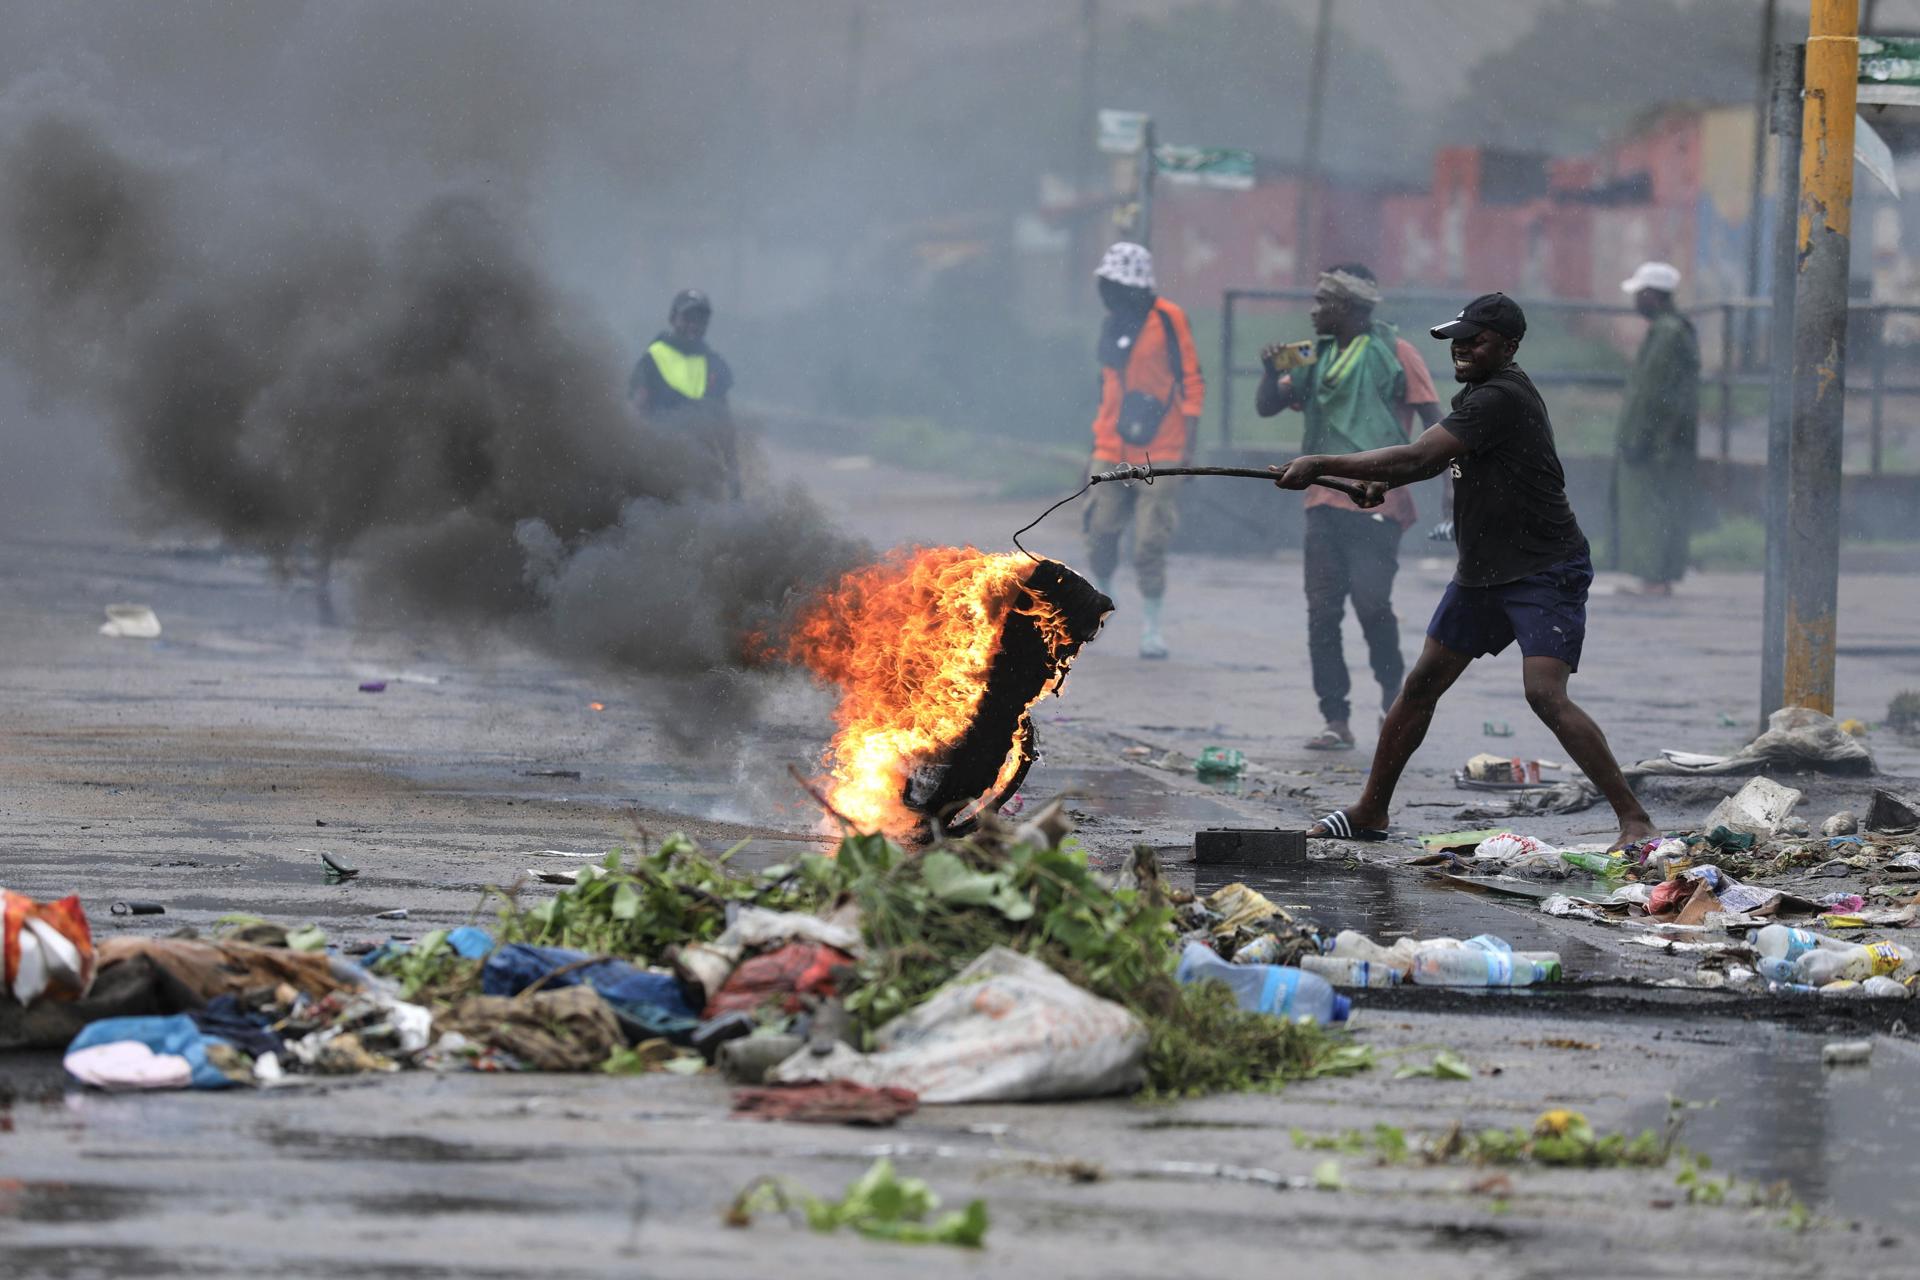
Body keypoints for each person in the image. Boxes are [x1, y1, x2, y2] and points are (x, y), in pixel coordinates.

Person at [1270, 292, 1657, 852]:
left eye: (1476, 340)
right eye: (1458, 338)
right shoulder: (1477, 395)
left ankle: (1635, 819)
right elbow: (1442, 464)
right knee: (1422, 684)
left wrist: (1321, 464)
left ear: (1510, 346)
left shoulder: (1502, 396)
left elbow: (1419, 457)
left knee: (1545, 694)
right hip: (1484, 570)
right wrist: (1385, 481)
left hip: (1544, 567)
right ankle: (1371, 810)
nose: (1462, 348)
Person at [1255, 264, 1441, 750]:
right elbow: (1267, 406)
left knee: (1372, 604)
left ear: (1351, 308)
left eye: (1323, 302)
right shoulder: (1313, 358)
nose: (1314, 310)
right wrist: (1269, 371)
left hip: (1379, 501)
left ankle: (1390, 698)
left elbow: (1434, 421)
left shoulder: (1397, 354)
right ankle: (1335, 719)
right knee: (1322, 613)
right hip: (1321, 500)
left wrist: (1437, 482)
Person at [1084, 242, 1205, 659]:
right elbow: (1106, 389)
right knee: (1100, 531)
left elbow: (1191, 379)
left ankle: (1152, 628)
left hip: (1162, 447)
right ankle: (1106, 598)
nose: (1110, 290)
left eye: (1117, 283)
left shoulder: (1169, 319)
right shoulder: (1111, 323)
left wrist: (1188, 447)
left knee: (1149, 543)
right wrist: (1094, 446)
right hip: (1110, 444)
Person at [1612, 261, 1700, 597]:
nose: (1636, 301)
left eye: (1640, 294)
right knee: (1661, 504)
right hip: (1667, 439)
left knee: (1651, 506)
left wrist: (1640, 437)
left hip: (1657, 442)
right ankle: (1657, 577)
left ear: (1654, 295)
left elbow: (1652, 392)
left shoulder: (1667, 333)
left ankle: (1654, 578)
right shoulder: (1674, 329)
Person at [630, 288, 740, 498]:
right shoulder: (652, 358)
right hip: (658, 462)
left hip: (701, 468)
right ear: (673, 318)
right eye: (687, 318)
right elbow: (637, 410)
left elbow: (725, 426)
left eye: (700, 320)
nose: (694, 325)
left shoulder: (714, 364)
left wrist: (735, 482)